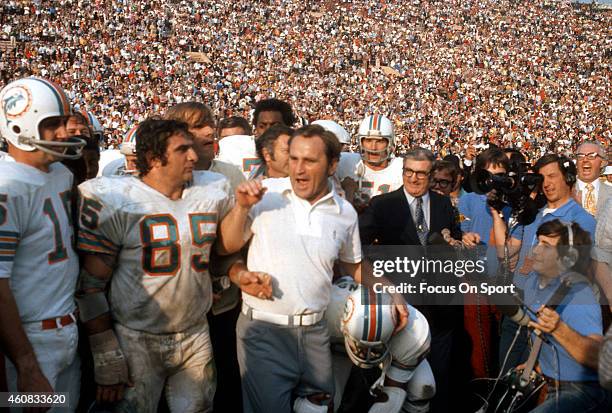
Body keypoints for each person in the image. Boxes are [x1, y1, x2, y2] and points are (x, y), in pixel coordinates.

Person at [75, 118, 255, 412]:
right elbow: (91, 285)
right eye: (183, 150)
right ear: (153, 158)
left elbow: (223, 248)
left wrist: (242, 210)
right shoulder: (117, 198)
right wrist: (105, 349)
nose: (194, 156)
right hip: (136, 336)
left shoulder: (210, 189)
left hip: (195, 332)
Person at [226, 124, 408, 413]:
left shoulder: (344, 212)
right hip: (265, 331)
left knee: (320, 408)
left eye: (310, 161)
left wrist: (391, 292)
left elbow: (353, 265)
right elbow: (227, 244)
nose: (298, 169)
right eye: (294, 158)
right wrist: (241, 209)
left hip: (316, 333)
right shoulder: (264, 194)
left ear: (332, 164)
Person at [0, 77, 86, 410]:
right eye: (53, 124)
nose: (65, 132)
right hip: (27, 339)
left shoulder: (60, 173)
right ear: (19, 126)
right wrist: (26, 363)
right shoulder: (7, 187)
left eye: (64, 121)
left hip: (65, 329)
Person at [359, 147, 462, 413]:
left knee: (436, 379)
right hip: (400, 307)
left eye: (421, 173)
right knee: (396, 378)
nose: (414, 179)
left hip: (440, 307)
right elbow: (360, 248)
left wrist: (457, 243)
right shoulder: (382, 205)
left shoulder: (443, 204)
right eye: (409, 172)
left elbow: (456, 242)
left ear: (431, 174)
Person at [164, 102, 246, 412]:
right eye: (198, 127)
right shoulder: (158, 179)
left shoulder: (229, 175)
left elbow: (235, 243)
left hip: (222, 304)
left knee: (223, 385)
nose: (210, 131)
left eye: (210, 124)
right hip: (173, 309)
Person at [498, 154, 597, 375]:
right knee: (505, 376)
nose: (547, 183)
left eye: (552, 176)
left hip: (546, 316)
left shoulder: (583, 220)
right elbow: (510, 252)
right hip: (516, 307)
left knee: (533, 386)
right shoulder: (532, 214)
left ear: (569, 178)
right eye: (542, 178)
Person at [522, 219, 611, 412]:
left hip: (583, 390)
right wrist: (535, 366)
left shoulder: (578, 294)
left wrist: (559, 328)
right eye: (538, 242)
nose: (536, 250)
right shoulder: (537, 286)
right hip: (551, 385)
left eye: (546, 246)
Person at [326, 278, 435, 413]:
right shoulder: (325, 311)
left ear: (396, 326)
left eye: (373, 348)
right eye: (362, 347)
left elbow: (392, 393)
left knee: (422, 387)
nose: (367, 354)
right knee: (318, 402)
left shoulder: (413, 332)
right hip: (339, 345)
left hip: (391, 349)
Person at [336, 114, 403, 211]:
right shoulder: (344, 163)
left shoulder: (401, 168)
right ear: (361, 142)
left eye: (379, 141)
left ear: (390, 143)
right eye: (368, 140)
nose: (373, 147)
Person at [574, 141, 610, 217]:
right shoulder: (563, 193)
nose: (585, 160)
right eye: (580, 156)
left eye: (591, 156)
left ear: (602, 162)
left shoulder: (610, 193)